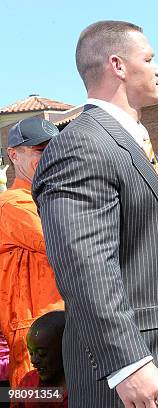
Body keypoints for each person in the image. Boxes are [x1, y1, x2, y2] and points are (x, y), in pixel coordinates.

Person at [32, 21, 158, 407]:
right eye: (149, 58)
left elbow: (140, 254)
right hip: (129, 379)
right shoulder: (82, 145)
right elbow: (85, 266)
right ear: (117, 65)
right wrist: (128, 363)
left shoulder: (135, 145)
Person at [0, 118, 64, 387]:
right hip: (34, 344)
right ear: (13, 155)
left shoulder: (49, 198)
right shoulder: (11, 204)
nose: (50, 157)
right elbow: (64, 242)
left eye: (54, 149)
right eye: (40, 150)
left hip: (61, 334)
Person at [12, 311, 68, 408]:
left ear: (65, 350)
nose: (33, 360)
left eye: (42, 354)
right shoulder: (28, 382)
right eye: (31, 353)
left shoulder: (85, 387)